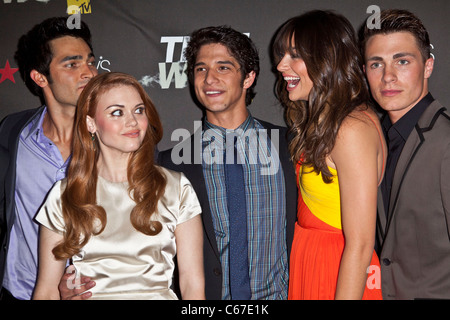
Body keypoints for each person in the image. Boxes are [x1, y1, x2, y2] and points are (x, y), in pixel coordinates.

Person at [32, 72, 204, 300]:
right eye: (117, 112)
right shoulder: (65, 195)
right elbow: (46, 291)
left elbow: (192, 285)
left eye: (139, 110)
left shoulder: (175, 187)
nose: (132, 121)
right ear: (90, 123)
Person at [158, 26, 297, 300]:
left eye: (223, 68)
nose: (209, 79)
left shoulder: (290, 145)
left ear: (248, 78)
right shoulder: (171, 164)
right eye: (200, 69)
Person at [273, 10, 386, 300]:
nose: (281, 65)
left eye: (294, 55)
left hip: (338, 271)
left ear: (326, 59)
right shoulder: (331, 122)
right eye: (282, 54)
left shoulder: (351, 129)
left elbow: (360, 243)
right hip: (313, 258)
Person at [0, 17, 98, 300]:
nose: (89, 73)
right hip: (19, 291)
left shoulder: (119, 140)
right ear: (40, 78)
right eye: (72, 64)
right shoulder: (11, 133)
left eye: (90, 61)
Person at [361, 9, 450, 300]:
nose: (388, 77)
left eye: (402, 61)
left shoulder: (446, 143)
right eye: (376, 64)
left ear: (428, 66)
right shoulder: (372, 138)